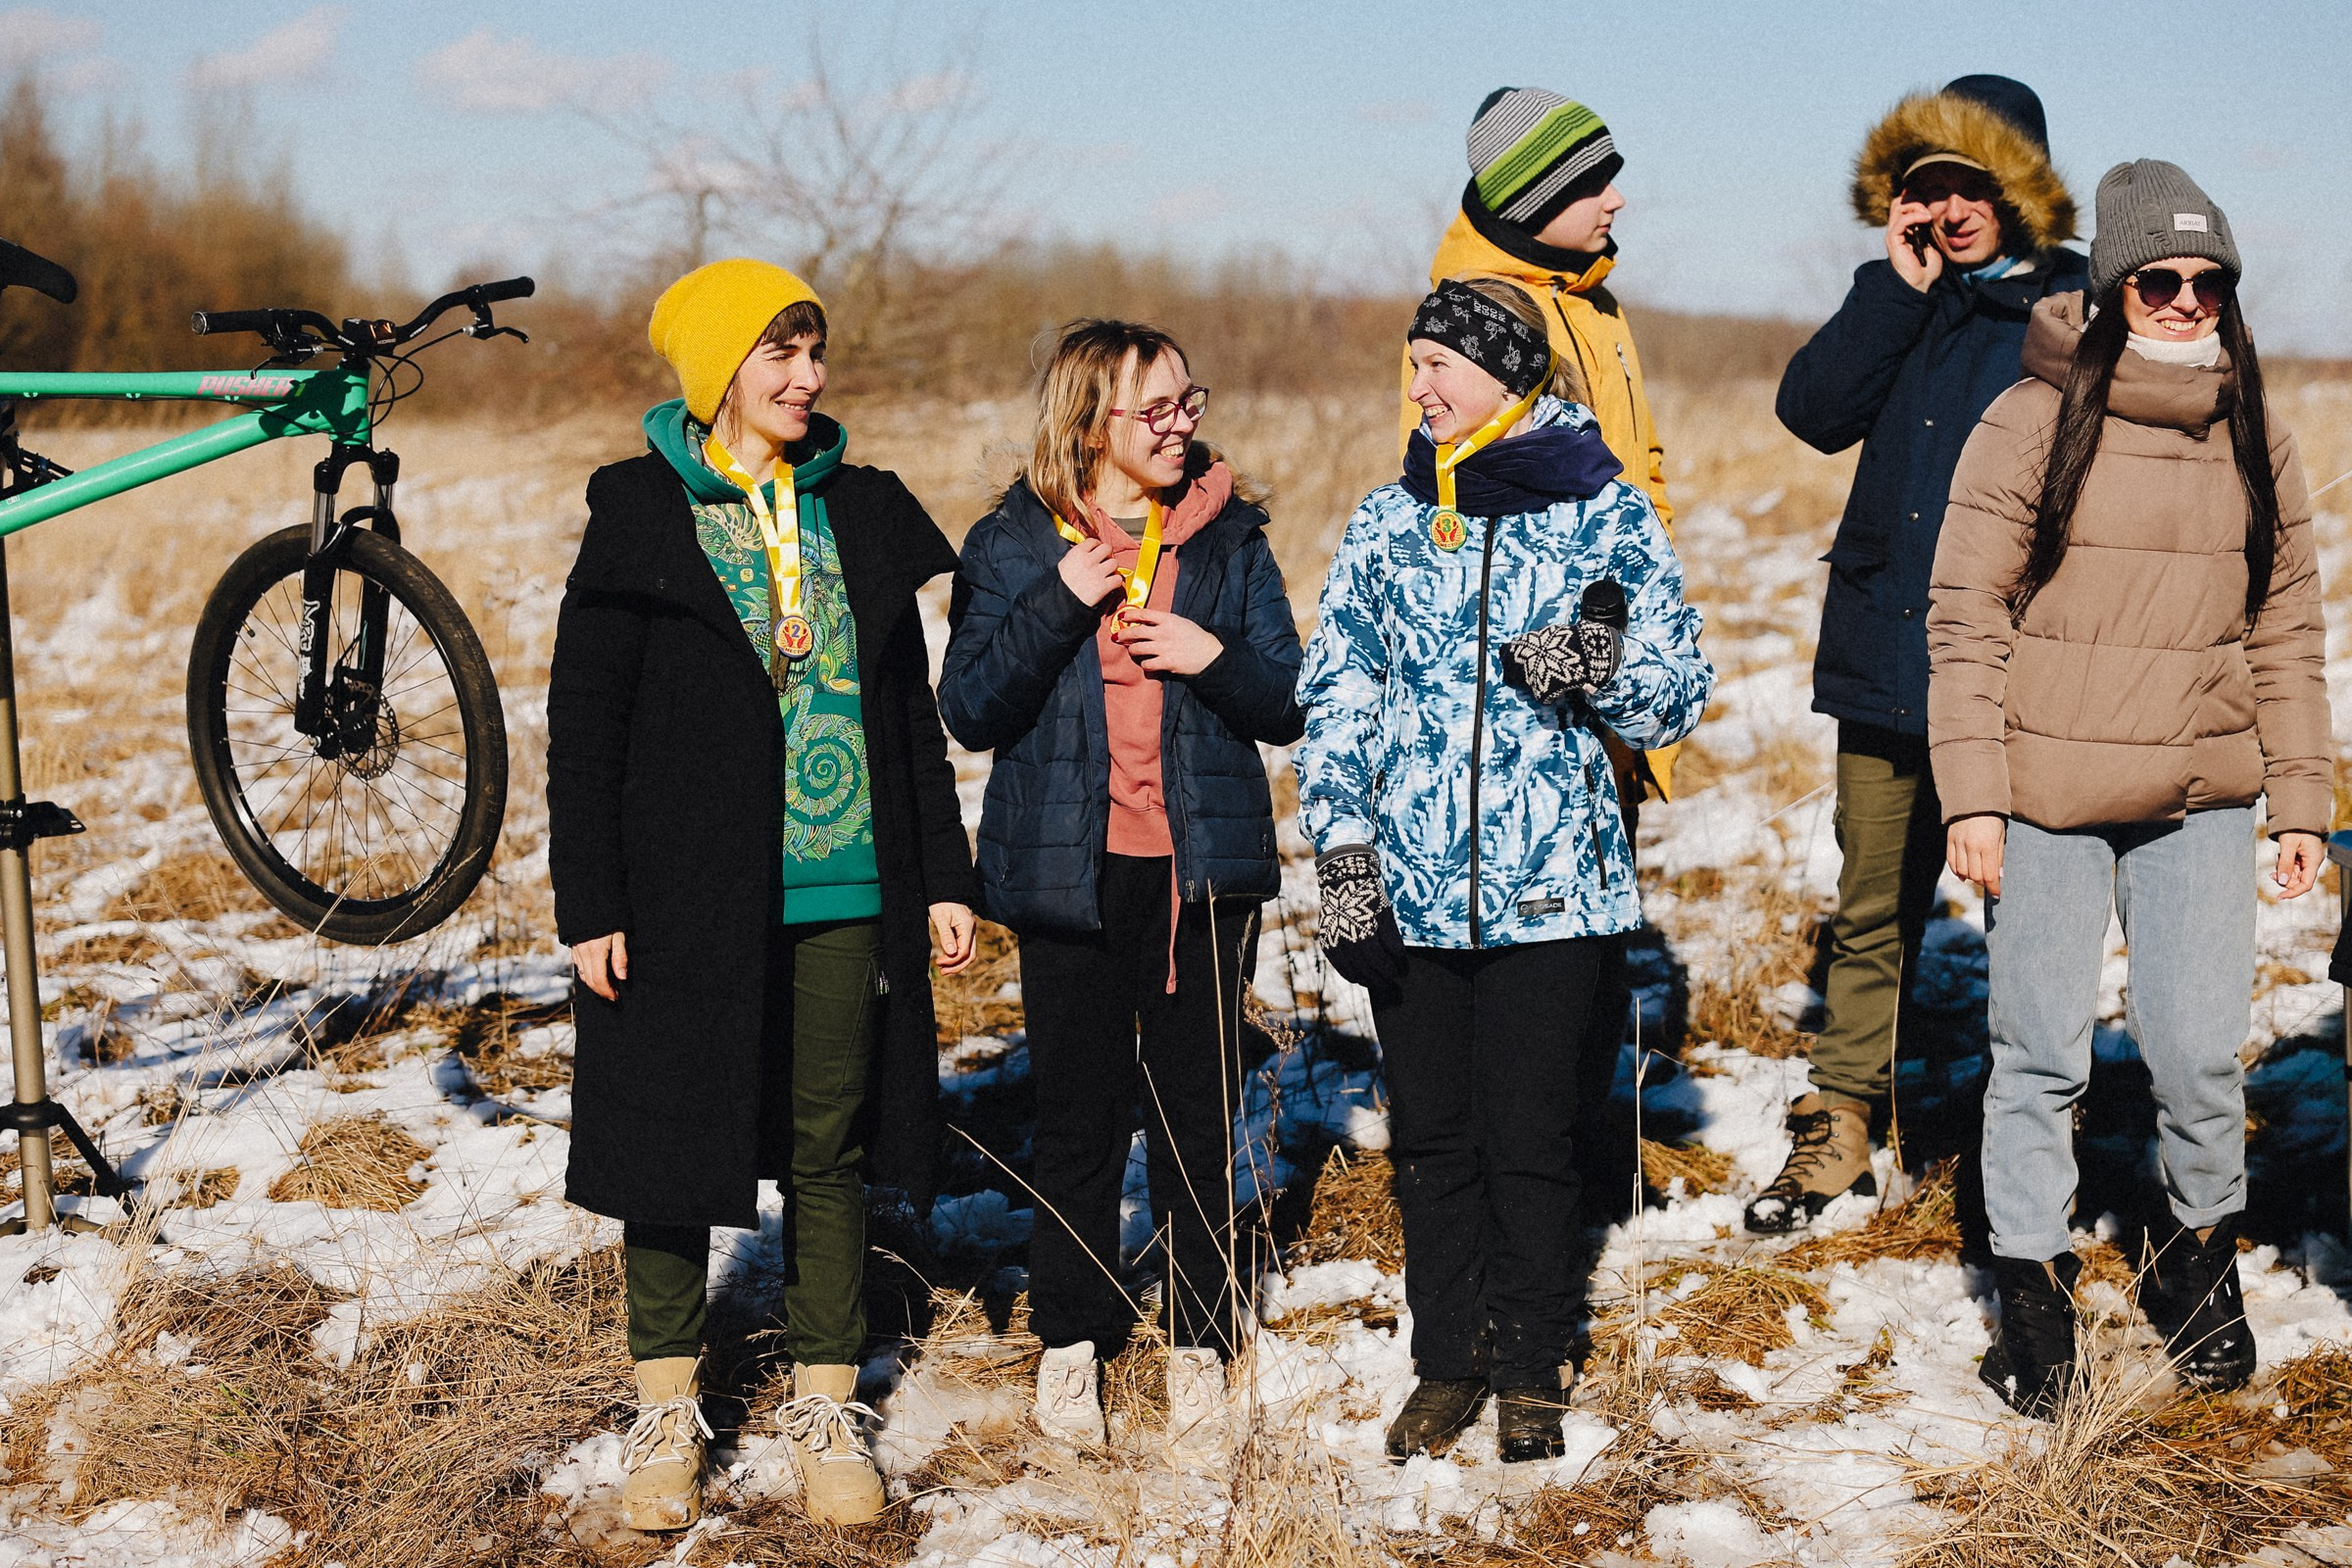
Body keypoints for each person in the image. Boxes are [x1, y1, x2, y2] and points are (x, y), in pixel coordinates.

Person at [547, 259, 980, 1529]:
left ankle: (830, 1404)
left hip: (848, 888)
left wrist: (943, 876)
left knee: (830, 1152)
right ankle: (667, 1415)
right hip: (683, 899)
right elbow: (587, 721)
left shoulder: (863, 507)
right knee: (669, 1152)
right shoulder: (639, 513)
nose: (809, 376)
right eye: (781, 353)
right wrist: (593, 899)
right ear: (717, 370)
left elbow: (908, 709)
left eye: (816, 349)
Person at [1929, 162, 2328, 1414]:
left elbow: (2290, 627)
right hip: (2044, 787)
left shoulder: (2258, 424)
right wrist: (1973, 796)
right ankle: (2033, 1290)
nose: (2186, 299)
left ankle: (2201, 1257)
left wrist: (2302, 798)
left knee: (2203, 1053)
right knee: (2039, 1054)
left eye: (2210, 281)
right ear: (2114, 286)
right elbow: (1965, 616)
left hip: (2202, 793)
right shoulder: (2028, 419)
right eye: (2160, 277)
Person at [1301, 278, 1712, 1463]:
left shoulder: (1602, 510)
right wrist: (1341, 858)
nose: (1419, 387)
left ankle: (1532, 1364)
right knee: (1432, 1137)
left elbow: (1678, 687)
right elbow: (1340, 697)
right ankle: (1447, 1361)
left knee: (1534, 1136)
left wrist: (1596, 663)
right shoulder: (1388, 520)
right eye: (1412, 363)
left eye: (1441, 364)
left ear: (1510, 372)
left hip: (1557, 891)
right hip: (1409, 886)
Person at [938, 319, 1303, 1464]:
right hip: (1070, 877)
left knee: (1199, 1110)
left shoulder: (1231, 535)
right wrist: (1059, 598)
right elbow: (970, 707)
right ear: (1092, 420)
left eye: (1190, 400)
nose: (1182, 424)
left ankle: (1200, 1335)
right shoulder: (1012, 539)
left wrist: (1211, 656)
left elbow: (1288, 695)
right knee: (1080, 1116)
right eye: (1158, 410)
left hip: (1200, 878)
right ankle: (1072, 1341)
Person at [1755, 74, 2088, 1234]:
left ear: (2021, 188)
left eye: (1971, 187)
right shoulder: (1900, 300)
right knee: (1871, 900)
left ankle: (2028, 1130)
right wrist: (1893, 294)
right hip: (1886, 651)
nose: (1949, 212)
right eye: (1927, 190)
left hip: (2015, 675)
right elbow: (1811, 410)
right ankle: (1844, 1112)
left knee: (2030, 909)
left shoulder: (2076, 312)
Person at [1411, 89, 1683, 1115]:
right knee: (1539, 950)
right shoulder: (1477, 315)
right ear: (1532, 199)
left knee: (1593, 944)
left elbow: (1635, 477)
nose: (1617, 198)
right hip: (1540, 687)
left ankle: (1576, 1171)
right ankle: (1527, 1184)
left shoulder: (1594, 303)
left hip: (1612, 656)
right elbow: (1474, 507)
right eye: (1592, 183)